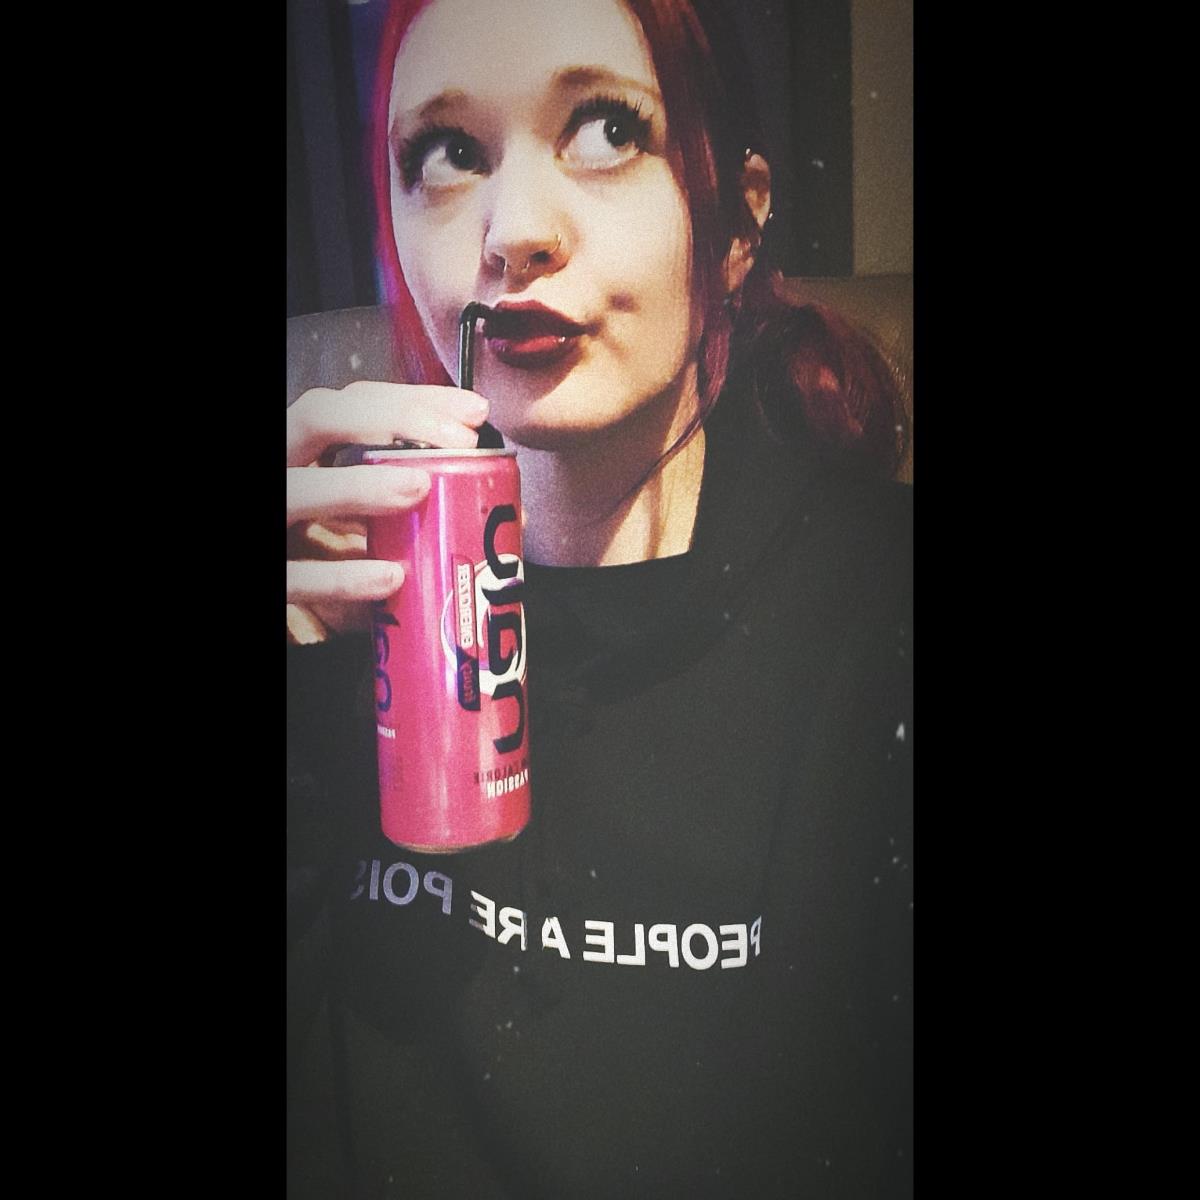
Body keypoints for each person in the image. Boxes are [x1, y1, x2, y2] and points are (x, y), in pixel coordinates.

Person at [287, 0, 912, 1196]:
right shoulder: (327, 600)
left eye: (606, 129)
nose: (514, 232)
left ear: (736, 222)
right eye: (448, 152)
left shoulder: (882, 616)